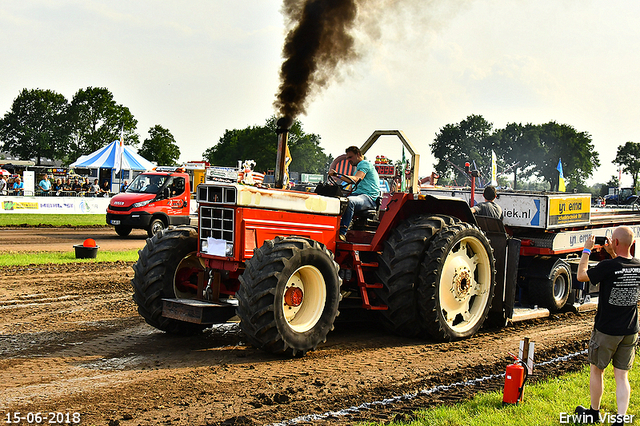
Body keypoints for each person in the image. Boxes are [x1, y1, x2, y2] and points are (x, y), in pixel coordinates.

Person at [574, 226, 639, 424]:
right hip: (630, 330)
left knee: (597, 370)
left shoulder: (608, 267)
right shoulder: (637, 265)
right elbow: (621, 266)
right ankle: (620, 419)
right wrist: (612, 253)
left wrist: (586, 250)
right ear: (633, 243)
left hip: (606, 330)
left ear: (615, 242)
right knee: (622, 376)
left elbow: (581, 275)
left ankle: (594, 413)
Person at [328, 146, 381, 241]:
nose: (348, 160)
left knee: (349, 202)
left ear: (358, 155)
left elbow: (356, 179)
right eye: (347, 158)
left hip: (368, 198)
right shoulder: (359, 167)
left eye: (350, 157)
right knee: (334, 200)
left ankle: (342, 232)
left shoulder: (364, 164)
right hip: (358, 195)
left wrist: (337, 175)